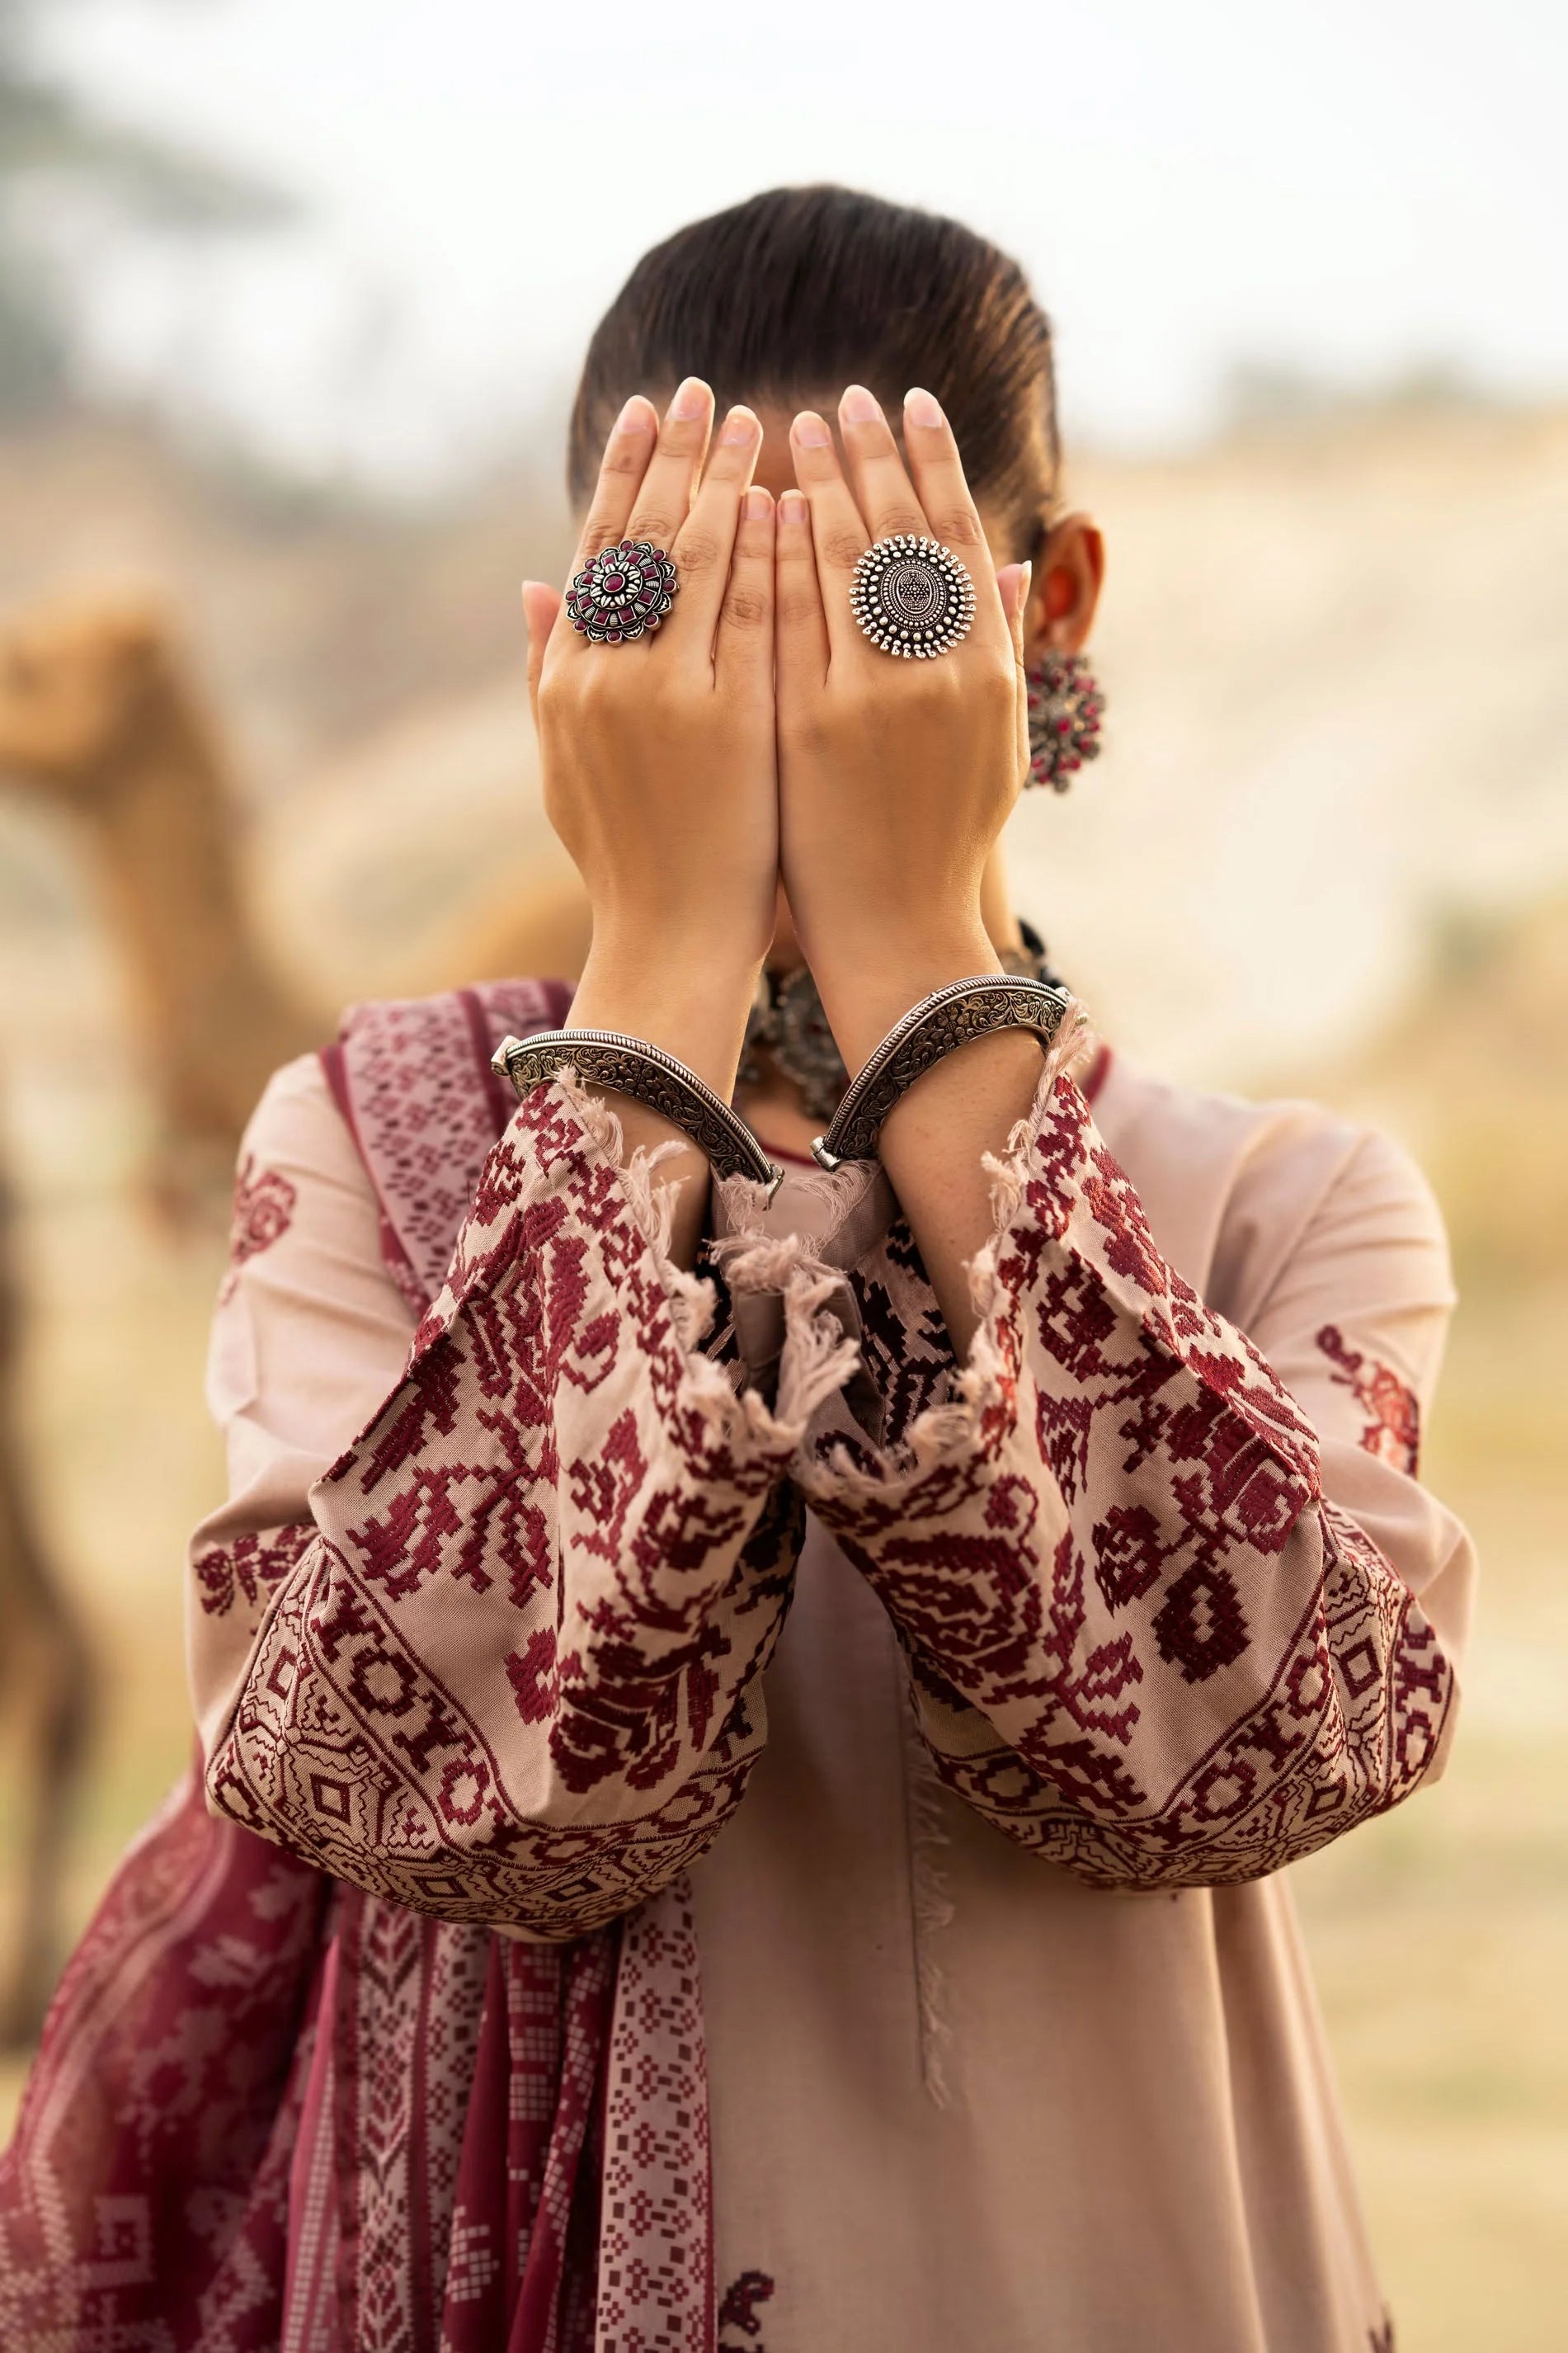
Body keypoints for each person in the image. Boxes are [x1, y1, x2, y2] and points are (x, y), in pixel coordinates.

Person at [0, 185, 1473, 2353]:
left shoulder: (1283, 1207)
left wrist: (916, 978)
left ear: (1047, 609)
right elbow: (391, 1777)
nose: (766, 704)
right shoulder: (371, 1151)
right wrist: (662, 964)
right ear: (562, 655)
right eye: (673, 613)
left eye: (878, 608)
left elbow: (1254, 1749)